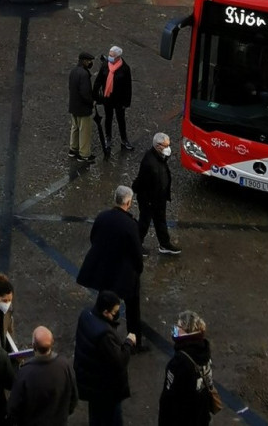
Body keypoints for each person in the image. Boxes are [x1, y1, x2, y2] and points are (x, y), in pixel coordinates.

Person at [76, 186, 146, 350]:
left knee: (104, 303)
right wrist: (138, 268)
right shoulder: (130, 224)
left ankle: (99, 331)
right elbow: (137, 252)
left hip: (104, 270)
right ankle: (135, 340)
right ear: (128, 202)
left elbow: (94, 238)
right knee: (132, 307)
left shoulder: (102, 217)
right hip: (125, 274)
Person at [74, 290, 136, 426]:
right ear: (105, 312)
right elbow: (120, 360)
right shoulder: (104, 335)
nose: (117, 315)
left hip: (91, 382)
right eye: (114, 312)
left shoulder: (86, 315)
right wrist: (128, 343)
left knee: (96, 415)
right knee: (112, 418)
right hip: (106, 388)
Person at [8, 326, 78, 426]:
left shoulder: (25, 373)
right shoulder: (65, 366)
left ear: (33, 346)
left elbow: (14, 407)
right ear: (52, 342)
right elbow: (74, 397)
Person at [158, 310, 216, 425]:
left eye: (179, 327)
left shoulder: (178, 363)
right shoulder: (204, 351)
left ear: (187, 333)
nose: (175, 329)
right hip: (201, 415)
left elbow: (168, 401)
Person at [132, 133, 181, 255]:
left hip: (159, 197)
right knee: (144, 222)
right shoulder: (149, 162)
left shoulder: (160, 157)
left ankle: (164, 244)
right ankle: (136, 246)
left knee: (160, 221)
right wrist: (145, 199)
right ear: (158, 146)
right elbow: (141, 182)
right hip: (149, 199)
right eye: (166, 146)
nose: (168, 148)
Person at [94, 45, 133, 152]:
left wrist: (127, 102)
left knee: (121, 120)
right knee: (108, 118)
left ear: (118, 57)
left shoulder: (125, 68)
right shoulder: (105, 65)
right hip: (108, 98)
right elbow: (98, 80)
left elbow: (128, 86)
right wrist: (95, 95)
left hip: (119, 100)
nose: (109, 57)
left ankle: (124, 139)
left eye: (112, 56)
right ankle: (108, 138)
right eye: (109, 55)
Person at [69, 51, 96, 163]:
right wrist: (91, 102)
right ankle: (84, 154)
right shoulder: (84, 74)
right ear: (84, 61)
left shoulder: (73, 71)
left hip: (74, 106)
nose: (90, 63)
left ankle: (73, 149)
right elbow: (85, 93)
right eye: (89, 61)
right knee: (84, 131)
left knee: (75, 128)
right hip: (83, 108)